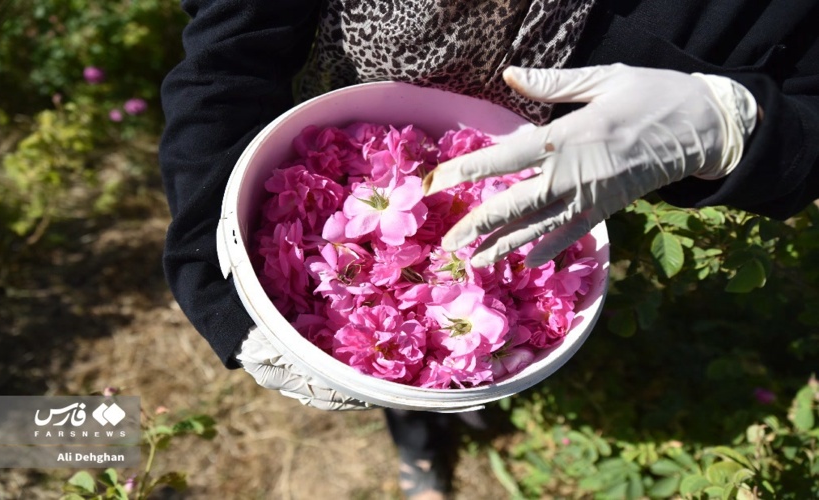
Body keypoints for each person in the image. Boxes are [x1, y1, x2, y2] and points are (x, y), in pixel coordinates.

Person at [159, 1, 819, 498]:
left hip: (584, 190)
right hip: (349, 134)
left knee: (483, 340)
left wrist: (731, 121)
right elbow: (228, 51)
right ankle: (421, 439)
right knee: (400, 362)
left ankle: (466, 400)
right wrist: (211, 274)